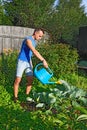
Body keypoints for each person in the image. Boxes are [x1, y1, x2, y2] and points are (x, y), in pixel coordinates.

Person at [13, 28, 48, 103]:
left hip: (29, 61)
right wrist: (43, 60)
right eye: (40, 36)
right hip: (22, 61)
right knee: (18, 80)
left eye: (41, 36)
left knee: (30, 79)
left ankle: (26, 96)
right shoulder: (28, 40)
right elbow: (34, 51)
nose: (40, 38)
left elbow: (33, 53)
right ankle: (15, 98)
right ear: (35, 33)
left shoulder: (34, 42)